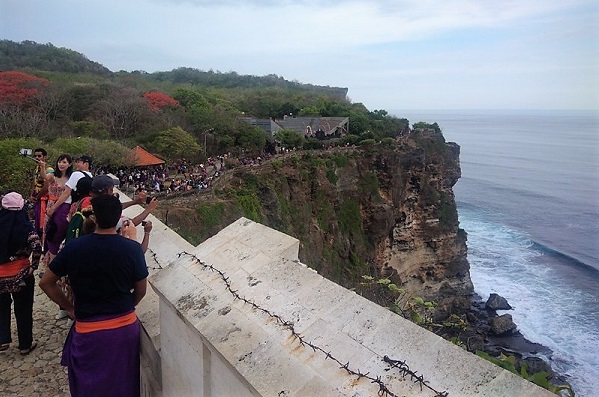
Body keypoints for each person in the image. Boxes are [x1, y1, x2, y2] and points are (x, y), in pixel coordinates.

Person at [39, 194, 148, 397]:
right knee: (123, 384)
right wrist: (127, 306)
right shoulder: (132, 249)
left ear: (95, 218)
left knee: (89, 386)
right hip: (124, 329)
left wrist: (70, 307)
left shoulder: (75, 248)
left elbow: (46, 282)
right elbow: (141, 290)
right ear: (118, 218)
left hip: (89, 329)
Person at [0, 192, 42, 355]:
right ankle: (25, 344)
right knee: (23, 309)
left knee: (1, 307)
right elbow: (36, 246)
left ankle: (3, 339)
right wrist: (34, 265)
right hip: (21, 274)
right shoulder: (25, 227)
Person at [41, 154, 74, 264]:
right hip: (51, 206)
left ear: (69, 164)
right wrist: (42, 167)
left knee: (60, 233)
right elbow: (44, 177)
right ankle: (48, 258)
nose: (61, 164)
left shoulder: (71, 178)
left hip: (64, 208)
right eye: (60, 162)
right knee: (49, 232)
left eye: (64, 162)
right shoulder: (53, 176)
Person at [46, 155, 92, 220]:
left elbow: (67, 193)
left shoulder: (76, 174)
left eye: (79, 162)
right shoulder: (91, 177)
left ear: (86, 164)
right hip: (81, 207)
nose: (76, 164)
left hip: (66, 206)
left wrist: (53, 208)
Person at [29, 148, 54, 236]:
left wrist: (37, 197)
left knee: (42, 222)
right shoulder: (36, 168)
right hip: (37, 198)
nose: (37, 158)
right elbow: (34, 183)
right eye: (35, 156)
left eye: (39, 156)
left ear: (45, 157)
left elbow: (46, 186)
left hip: (44, 199)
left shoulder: (49, 170)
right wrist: (31, 195)